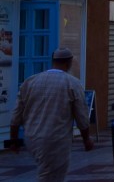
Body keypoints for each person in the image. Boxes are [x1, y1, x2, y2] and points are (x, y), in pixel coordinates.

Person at [9, 47, 94, 181]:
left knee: (47, 171)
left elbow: (16, 114)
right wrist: (86, 139)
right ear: (69, 62)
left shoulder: (31, 81)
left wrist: (13, 140)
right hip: (55, 140)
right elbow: (82, 116)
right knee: (51, 176)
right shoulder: (72, 83)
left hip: (31, 138)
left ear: (53, 61)